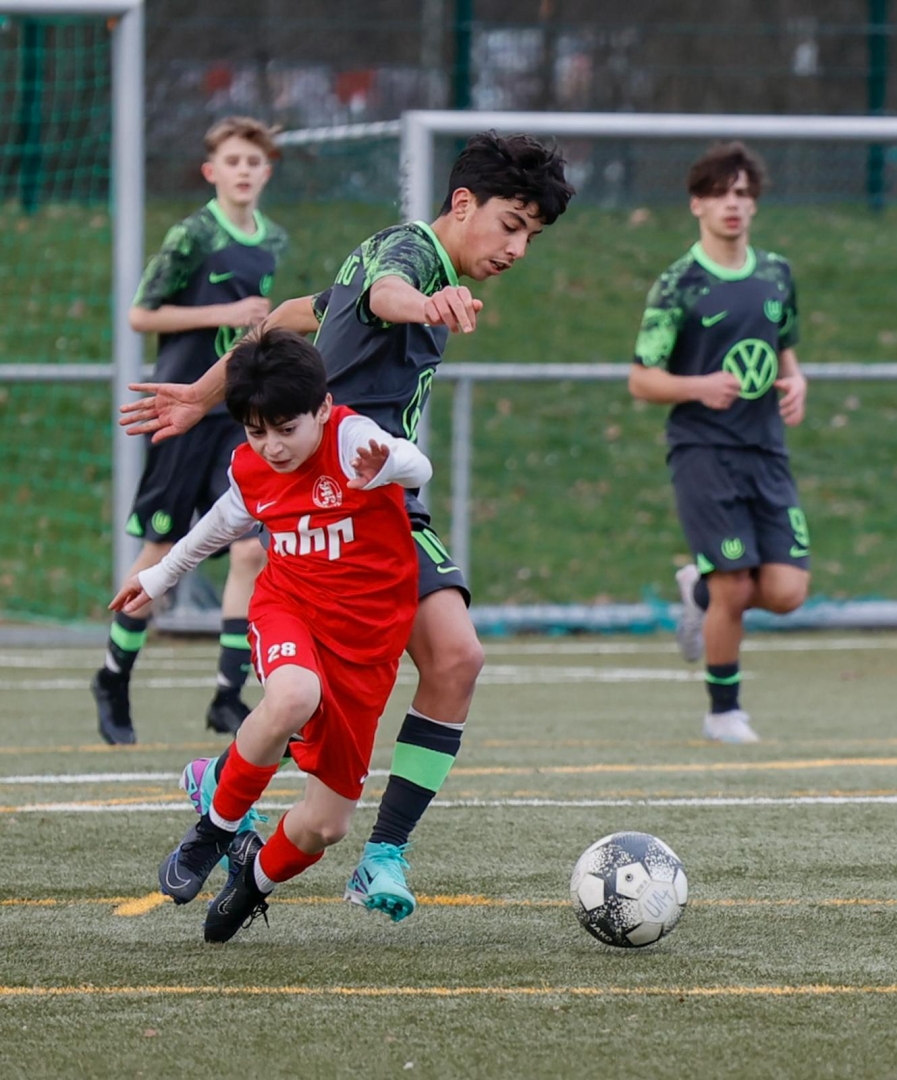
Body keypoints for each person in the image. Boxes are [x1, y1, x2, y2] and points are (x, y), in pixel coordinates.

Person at [119, 131, 575, 917]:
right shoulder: (407, 256)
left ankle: (375, 850)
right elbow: (388, 292)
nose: (516, 249)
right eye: (510, 225)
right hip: (326, 497)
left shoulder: (393, 268)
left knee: (454, 660)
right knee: (331, 689)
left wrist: (200, 392)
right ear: (462, 203)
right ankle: (241, 796)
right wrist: (423, 303)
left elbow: (286, 316)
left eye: (530, 236)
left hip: (382, 496)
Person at [110, 328, 431, 942]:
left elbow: (419, 465)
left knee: (327, 826)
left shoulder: (352, 440)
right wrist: (158, 576)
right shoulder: (252, 465)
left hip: (365, 644)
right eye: (257, 432)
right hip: (291, 608)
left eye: (286, 429)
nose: (273, 447)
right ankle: (212, 831)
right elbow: (219, 524)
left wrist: (388, 464)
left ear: (322, 409)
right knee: (292, 697)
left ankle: (253, 879)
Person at [92, 116, 287, 745]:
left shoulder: (272, 238)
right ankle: (113, 676)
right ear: (211, 171)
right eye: (233, 161)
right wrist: (223, 312)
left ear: (266, 172)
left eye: (253, 162)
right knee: (162, 551)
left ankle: (228, 696)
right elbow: (141, 314)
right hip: (182, 411)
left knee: (251, 548)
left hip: (236, 415)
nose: (243, 171)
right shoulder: (193, 234)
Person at [629, 141, 809, 745]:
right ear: (696, 204)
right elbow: (641, 378)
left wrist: (796, 381)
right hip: (703, 451)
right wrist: (698, 386)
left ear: (754, 204)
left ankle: (698, 589)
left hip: (766, 450)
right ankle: (723, 712)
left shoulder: (776, 273)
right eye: (719, 194)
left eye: (743, 193)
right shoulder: (679, 284)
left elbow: (784, 347)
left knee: (786, 591)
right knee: (735, 582)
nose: (732, 204)